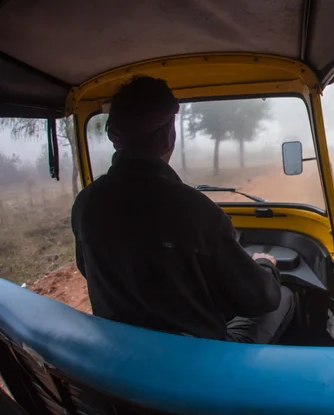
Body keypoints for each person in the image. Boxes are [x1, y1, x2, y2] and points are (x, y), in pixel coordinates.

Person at [72, 76, 294, 344]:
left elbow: (88, 269)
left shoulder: (86, 203)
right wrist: (264, 265)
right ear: (168, 134)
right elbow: (260, 298)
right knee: (284, 298)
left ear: (115, 136)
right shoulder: (197, 211)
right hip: (198, 361)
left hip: (121, 352)